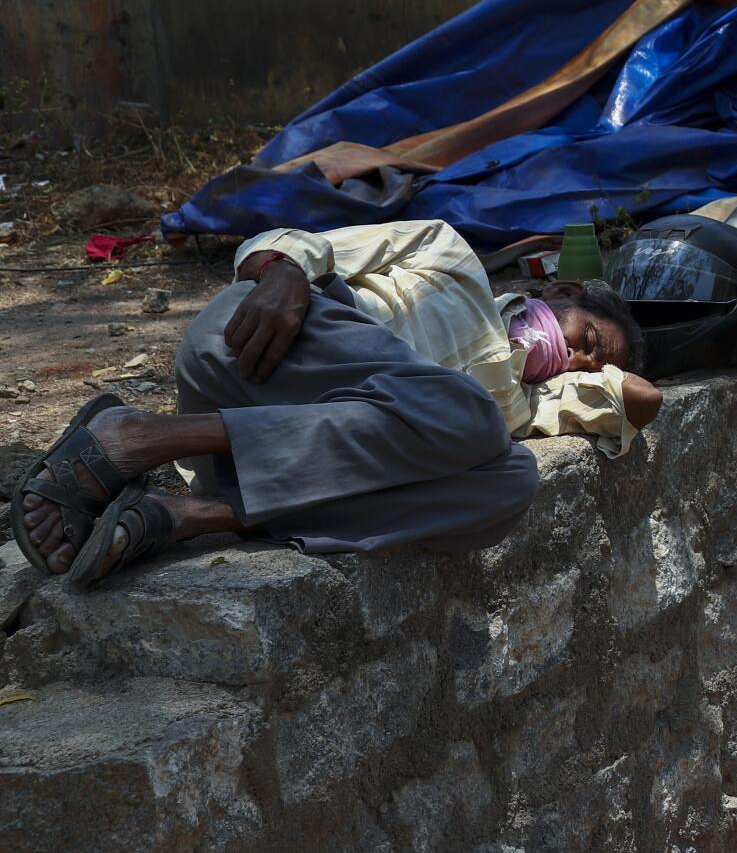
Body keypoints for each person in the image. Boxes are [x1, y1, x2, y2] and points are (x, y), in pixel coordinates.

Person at [11, 219, 665, 585]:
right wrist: (288, 273)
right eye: (588, 339)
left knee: (513, 481)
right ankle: (143, 438)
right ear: (563, 292)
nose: (580, 360)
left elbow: (639, 398)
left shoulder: (522, 406)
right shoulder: (452, 257)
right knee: (472, 416)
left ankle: (187, 514)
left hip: (263, 467)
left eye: (589, 365)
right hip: (257, 345)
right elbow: (304, 242)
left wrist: (596, 368)